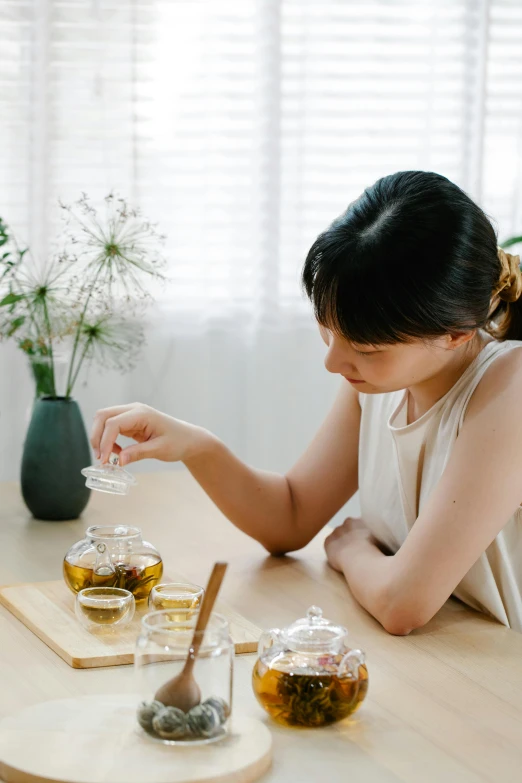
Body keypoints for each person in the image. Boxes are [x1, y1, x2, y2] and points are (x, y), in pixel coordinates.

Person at [90, 170, 522, 635]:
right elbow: (291, 518)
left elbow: (402, 604)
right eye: (329, 330)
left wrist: (350, 548)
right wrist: (194, 445)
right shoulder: (378, 384)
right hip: (443, 658)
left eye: (367, 349)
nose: (333, 361)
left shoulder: (509, 386)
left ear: (455, 333)